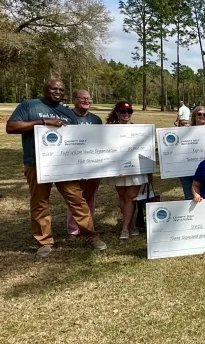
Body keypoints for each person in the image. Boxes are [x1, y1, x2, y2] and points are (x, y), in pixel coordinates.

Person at [6, 79, 106, 257]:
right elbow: (11, 127)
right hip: (36, 163)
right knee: (40, 203)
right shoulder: (29, 106)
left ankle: (91, 235)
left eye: (60, 89)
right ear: (45, 89)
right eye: (53, 88)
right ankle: (44, 241)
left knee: (77, 200)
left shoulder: (66, 112)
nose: (57, 91)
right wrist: (43, 122)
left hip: (64, 164)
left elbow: (76, 139)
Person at [105, 101, 151, 240]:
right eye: (123, 112)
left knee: (131, 196)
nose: (126, 114)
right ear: (117, 113)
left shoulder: (138, 129)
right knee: (123, 196)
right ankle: (130, 225)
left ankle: (125, 228)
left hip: (136, 169)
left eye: (129, 112)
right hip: (118, 169)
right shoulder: (109, 129)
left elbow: (146, 150)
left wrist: (149, 170)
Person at [66, 89, 102, 238]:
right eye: (83, 99)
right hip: (72, 163)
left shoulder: (96, 120)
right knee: (75, 197)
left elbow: (102, 142)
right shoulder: (66, 116)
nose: (86, 101)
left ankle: (87, 226)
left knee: (90, 197)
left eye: (88, 99)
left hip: (93, 164)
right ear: (75, 99)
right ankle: (73, 230)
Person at [178, 105, 205, 200]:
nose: (202, 116)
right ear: (194, 116)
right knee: (190, 197)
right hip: (187, 170)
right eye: (199, 114)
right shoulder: (185, 130)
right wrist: (182, 132)